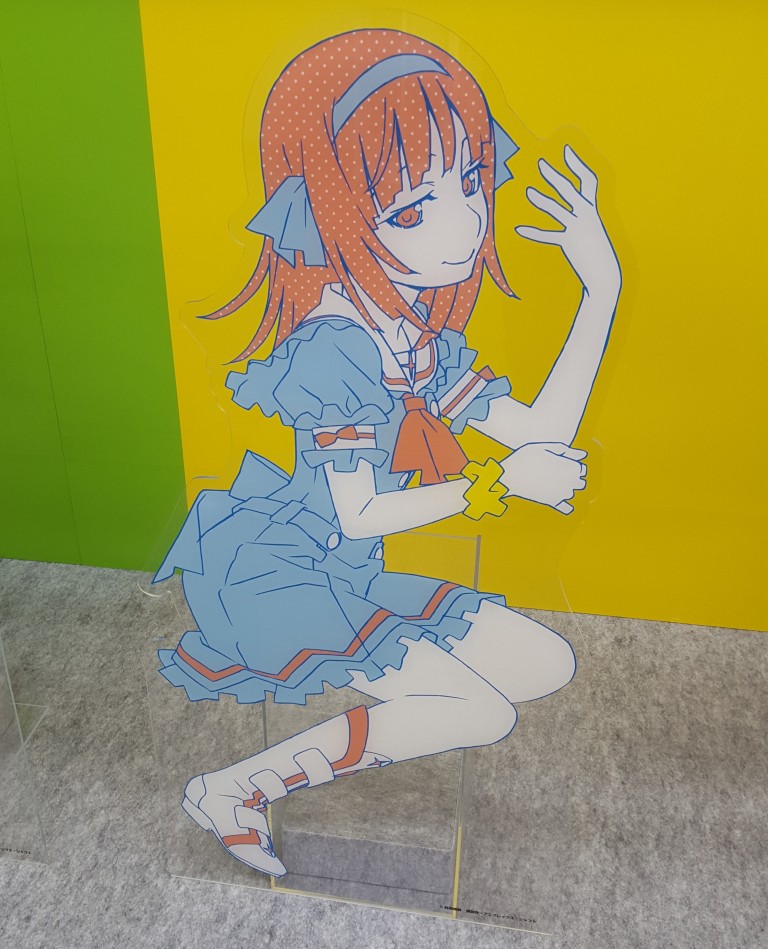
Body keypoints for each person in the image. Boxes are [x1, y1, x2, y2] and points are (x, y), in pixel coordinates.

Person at [153, 29, 621, 877]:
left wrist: (602, 289)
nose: (465, 225)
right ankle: (235, 787)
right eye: (410, 209)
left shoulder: (415, 337)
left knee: (544, 662)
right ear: (329, 212)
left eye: (470, 181)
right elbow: (360, 510)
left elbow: (541, 432)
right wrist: (496, 483)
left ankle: (350, 734)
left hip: (346, 569)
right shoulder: (333, 345)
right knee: (482, 710)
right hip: (277, 573)